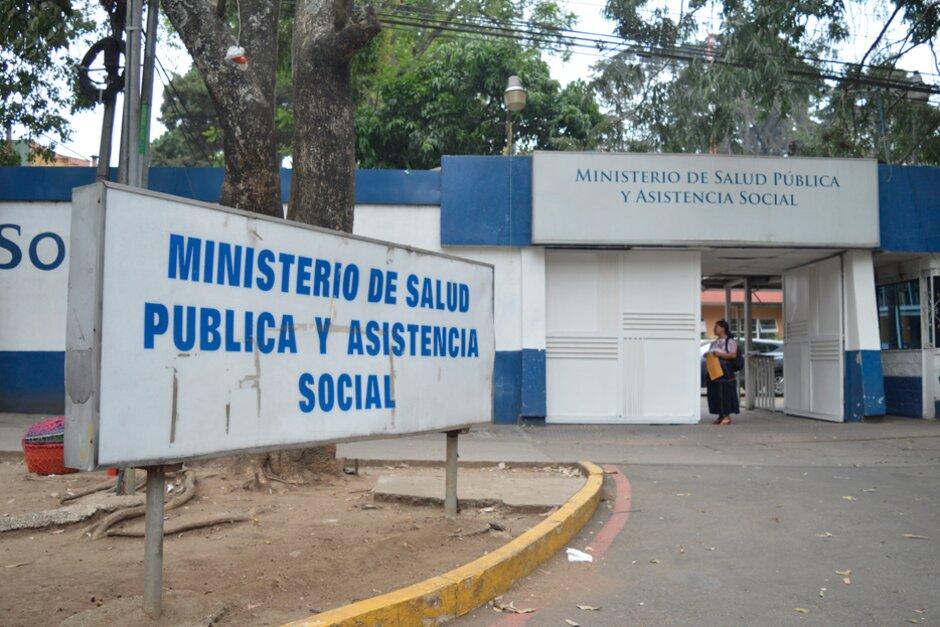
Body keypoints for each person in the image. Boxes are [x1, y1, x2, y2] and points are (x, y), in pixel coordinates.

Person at [705, 319, 739, 425]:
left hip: (725, 370)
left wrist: (720, 354)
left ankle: (727, 416)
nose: (714, 329)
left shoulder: (730, 341)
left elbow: (733, 355)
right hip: (714, 369)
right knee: (715, 391)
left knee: (725, 392)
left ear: (723, 329)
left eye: (716, 327)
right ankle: (720, 415)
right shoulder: (714, 342)